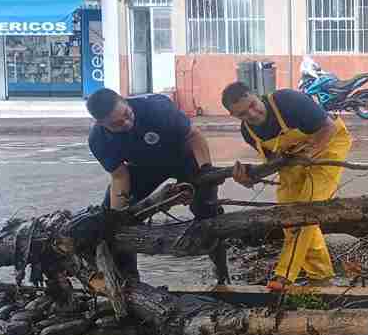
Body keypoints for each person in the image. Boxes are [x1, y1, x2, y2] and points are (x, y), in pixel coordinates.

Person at [223, 82, 353, 290]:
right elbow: (274, 162)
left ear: (257, 95)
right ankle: (320, 276)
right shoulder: (248, 132)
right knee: (288, 215)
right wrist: (249, 179)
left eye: (252, 105)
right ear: (233, 115)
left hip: (329, 146)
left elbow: (328, 127)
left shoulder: (289, 101)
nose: (252, 114)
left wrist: (310, 154)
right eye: (242, 114)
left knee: (306, 209)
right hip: (294, 158)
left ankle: (284, 275)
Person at [86, 89, 223, 283]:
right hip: (143, 168)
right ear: (101, 124)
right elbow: (119, 176)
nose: (126, 123)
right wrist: (118, 215)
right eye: (117, 124)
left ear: (125, 101)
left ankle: (221, 271)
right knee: (113, 223)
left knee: (207, 210)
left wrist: (206, 170)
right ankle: (129, 281)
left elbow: (193, 136)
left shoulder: (156, 107)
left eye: (127, 114)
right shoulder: (98, 140)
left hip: (184, 159)